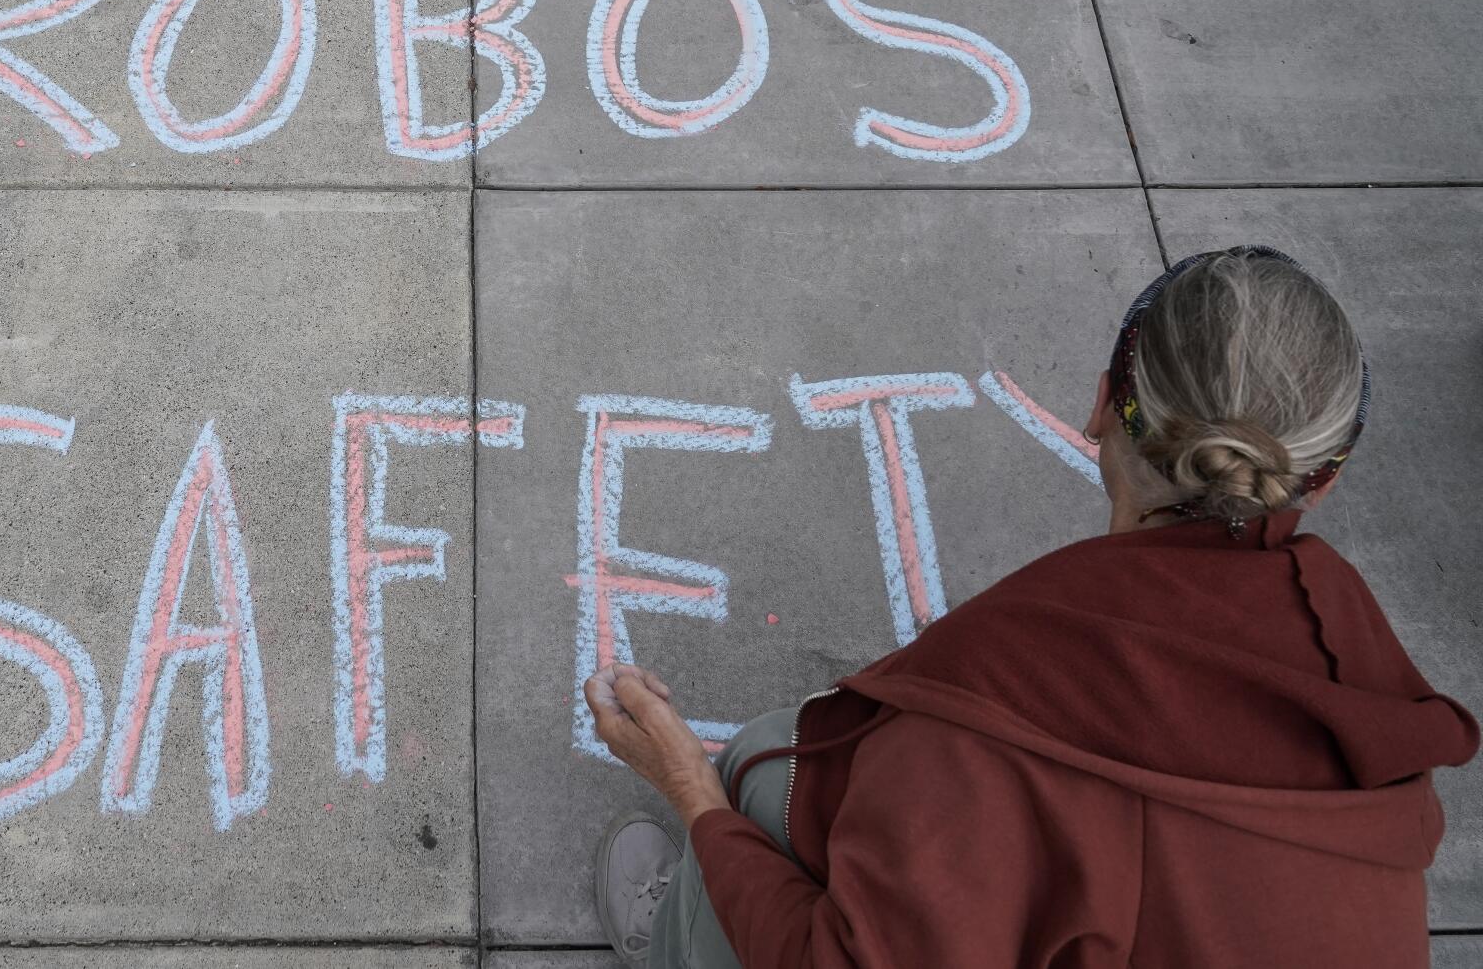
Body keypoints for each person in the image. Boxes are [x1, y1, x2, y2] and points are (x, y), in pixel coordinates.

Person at [586, 246, 1478, 968]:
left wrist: (691, 795)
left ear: (1101, 406)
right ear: (1315, 487)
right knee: (786, 756)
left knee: (747, 775)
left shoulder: (991, 726)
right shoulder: (1349, 657)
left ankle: (684, 939)